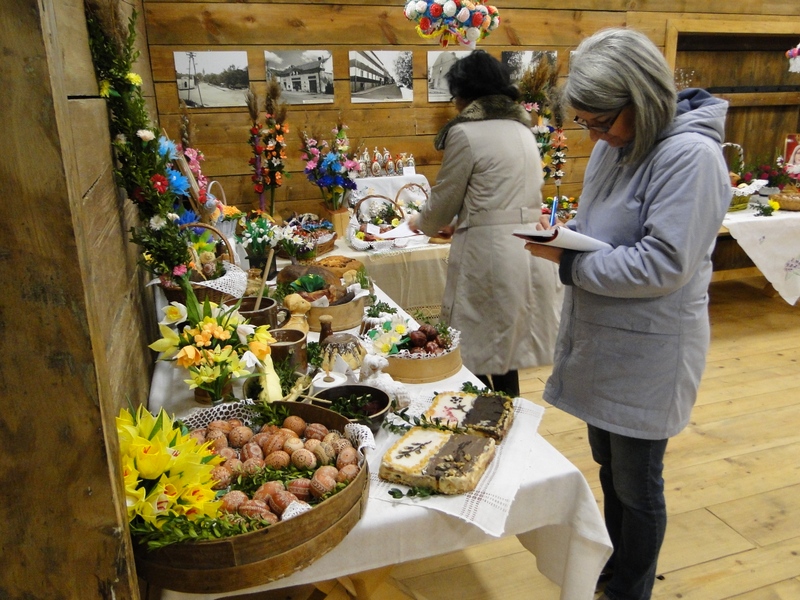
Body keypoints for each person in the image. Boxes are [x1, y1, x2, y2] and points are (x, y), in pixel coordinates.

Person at [523, 29, 732, 600]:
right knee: (610, 469)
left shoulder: (691, 157)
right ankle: (616, 567)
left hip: (649, 351)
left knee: (638, 485)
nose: (595, 135)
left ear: (642, 98)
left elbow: (663, 264)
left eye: (601, 122)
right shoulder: (612, 146)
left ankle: (630, 590)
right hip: (605, 342)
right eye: (585, 123)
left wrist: (568, 261)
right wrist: (564, 234)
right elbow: (602, 228)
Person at [407, 50, 563, 397]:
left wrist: (419, 220)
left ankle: (483, 420)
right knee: (504, 349)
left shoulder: (466, 133)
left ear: (464, 93)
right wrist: (464, 220)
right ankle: (510, 415)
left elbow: (444, 201)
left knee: (472, 348)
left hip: (488, 256)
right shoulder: (523, 129)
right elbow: (500, 197)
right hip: (525, 248)